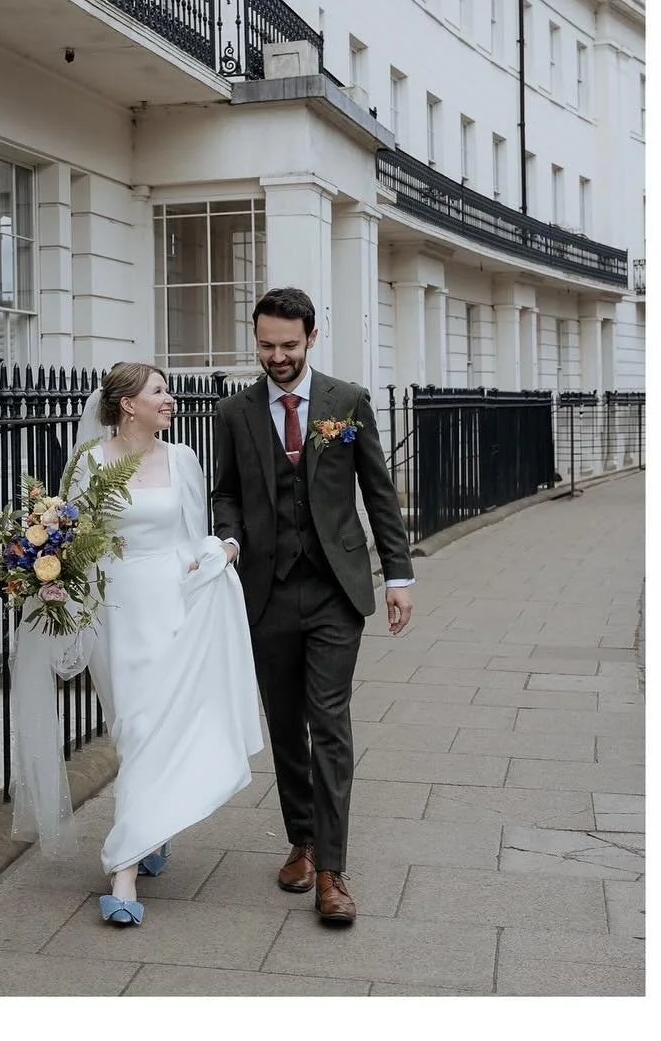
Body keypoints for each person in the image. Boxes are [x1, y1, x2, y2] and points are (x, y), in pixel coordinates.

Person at [8, 362, 263, 927]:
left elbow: (194, 532)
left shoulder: (183, 460)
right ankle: (150, 833)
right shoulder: (91, 465)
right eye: (160, 391)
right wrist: (53, 585)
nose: (170, 399)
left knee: (153, 727)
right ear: (127, 404)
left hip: (172, 602)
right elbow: (71, 541)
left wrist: (222, 548)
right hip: (117, 607)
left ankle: (122, 871)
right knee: (131, 727)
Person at [212, 286, 414, 925]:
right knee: (285, 722)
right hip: (266, 591)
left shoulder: (345, 402)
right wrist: (230, 536)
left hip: (335, 588)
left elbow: (377, 491)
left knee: (328, 721)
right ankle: (300, 838)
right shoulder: (234, 412)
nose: (277, 356)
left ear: (312, 338)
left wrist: (399, 575)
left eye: (288, 345)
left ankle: (332, 870)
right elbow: (225, 493)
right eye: (266, 344)